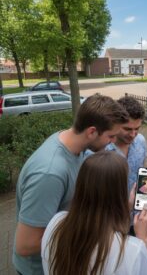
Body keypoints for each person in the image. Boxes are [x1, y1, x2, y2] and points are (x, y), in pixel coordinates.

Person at [13, 94, 129, 275]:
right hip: (40, 269)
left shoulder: (75, 145)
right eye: (111, 136)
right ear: (91, 132)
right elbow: (26, 245)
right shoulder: (50, 173)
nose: (114, 142)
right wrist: (94, 231)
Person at [41, 151, 147, 275]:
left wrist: (127, 207)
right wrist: (143, 239)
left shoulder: (56, 222)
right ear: (119, 192)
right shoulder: (133, 250)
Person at [106, 96, 147, 193]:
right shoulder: (102, 149)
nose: (133, 135)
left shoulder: (141, 141)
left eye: (137, 128)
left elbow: (141, 169)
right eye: (127, 129)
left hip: (137, 206)